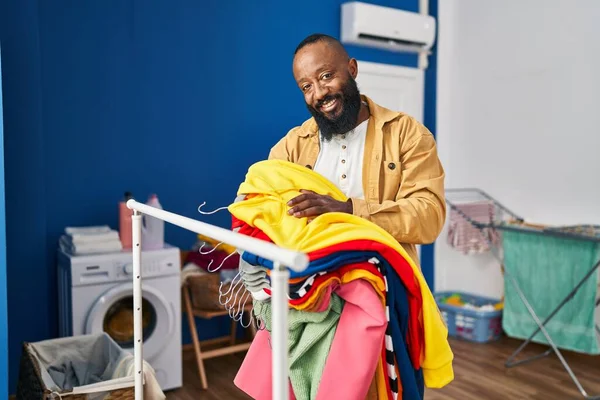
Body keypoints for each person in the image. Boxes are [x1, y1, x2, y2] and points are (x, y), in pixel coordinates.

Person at [268, 33, 446, 266]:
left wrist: (350, 210)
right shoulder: (292, 146)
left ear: (352, 69)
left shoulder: (407, 134)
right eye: (306, 87)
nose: (320, 93)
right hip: (313, 288)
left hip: (386, 289)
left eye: (326, 76)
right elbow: (268, 210)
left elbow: (429, 217)